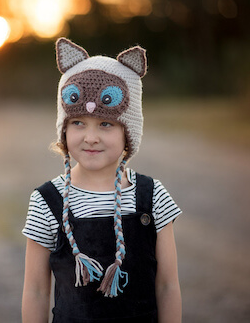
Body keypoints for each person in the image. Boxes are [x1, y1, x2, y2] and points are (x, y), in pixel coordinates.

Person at [22, 38, 182, 323]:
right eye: (78, 123)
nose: (91, 137)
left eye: (105, 124)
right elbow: (35, 291)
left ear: (128, 133)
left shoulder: (152, 195)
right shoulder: (46, 201)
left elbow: (167, 285)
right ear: (64, 129)